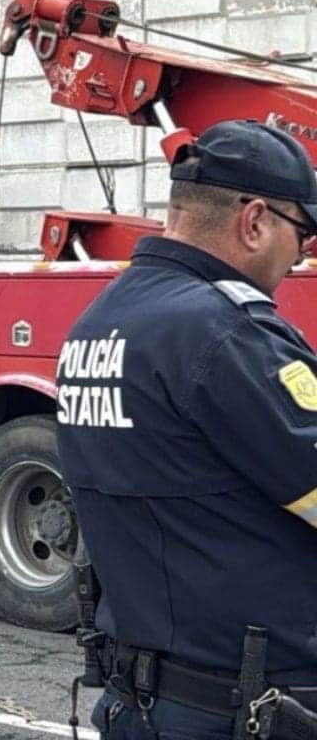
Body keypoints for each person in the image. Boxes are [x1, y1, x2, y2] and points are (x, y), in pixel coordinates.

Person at [56, 119, 317, 739]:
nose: (303, 252)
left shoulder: (99, 323)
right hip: (241, 708)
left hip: (140, 699)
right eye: (302, 232)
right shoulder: (229, 334)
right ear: (254, 220)